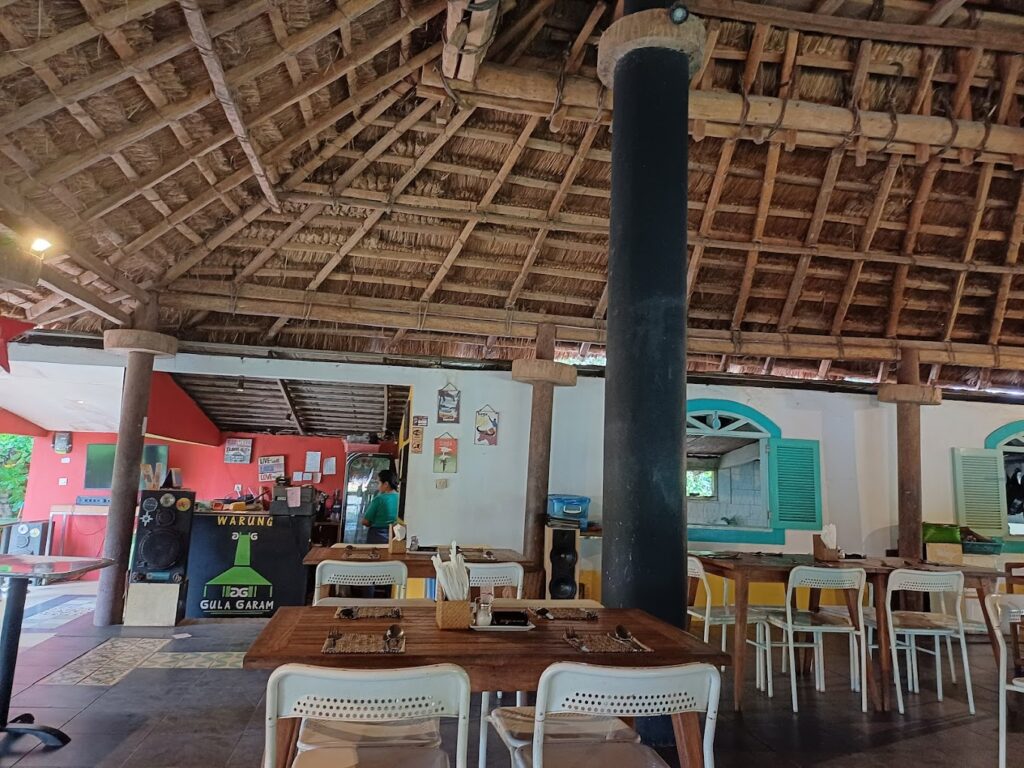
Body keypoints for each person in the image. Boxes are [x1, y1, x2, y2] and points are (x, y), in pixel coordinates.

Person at [361, 469, 400, 544]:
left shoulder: (379, 499)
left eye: (378, 483)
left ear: (386, 484)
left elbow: (366, 521)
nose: (377, 486)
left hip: (377, 536)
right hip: (395, 535)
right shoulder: (401, 498)